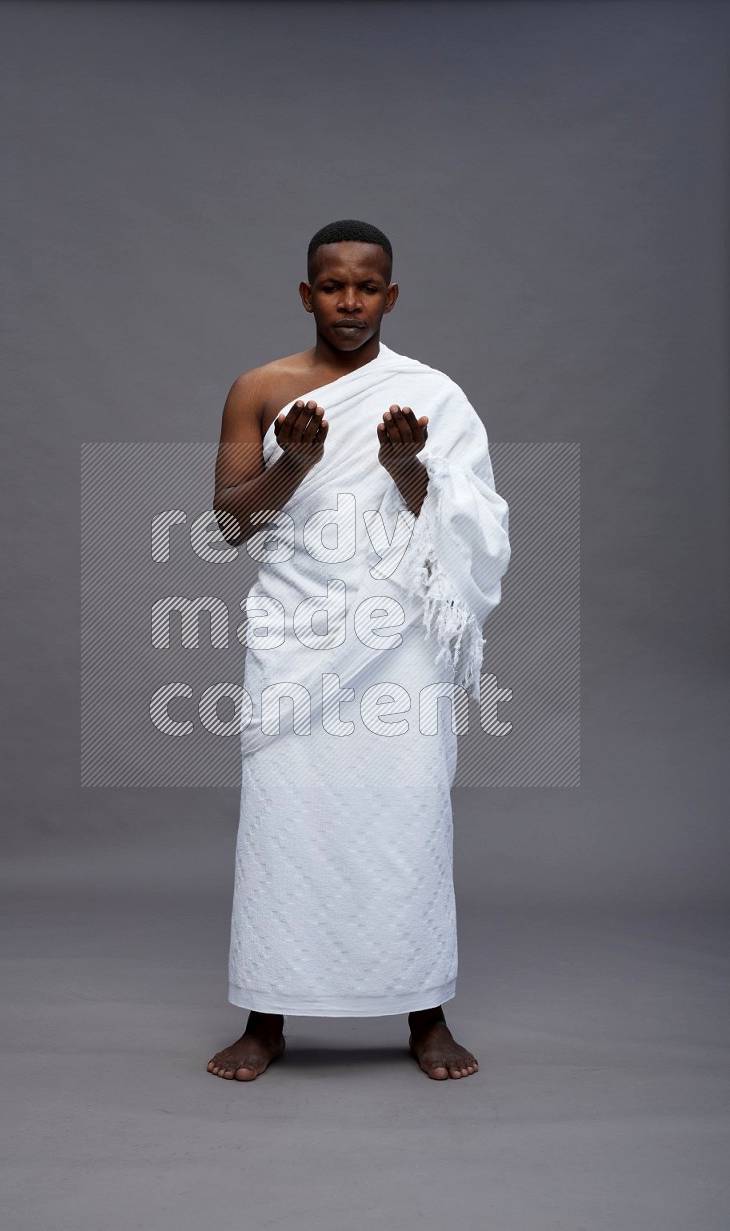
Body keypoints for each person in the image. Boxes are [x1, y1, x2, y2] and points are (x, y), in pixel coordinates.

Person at [206, 220, 511, 1081]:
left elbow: (467, 525)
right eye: (332, 285)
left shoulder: (430, 395)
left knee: (405, 819)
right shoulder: (259, 389)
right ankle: (265, 1019)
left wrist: (410, 467)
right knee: (284, 823)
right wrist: (291, 466)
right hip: (295, 634)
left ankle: (425, 1012)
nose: (349, 301)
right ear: (306, 294)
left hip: (397, 645)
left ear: (391, 295)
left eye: (366, 286)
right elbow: (231, 524)